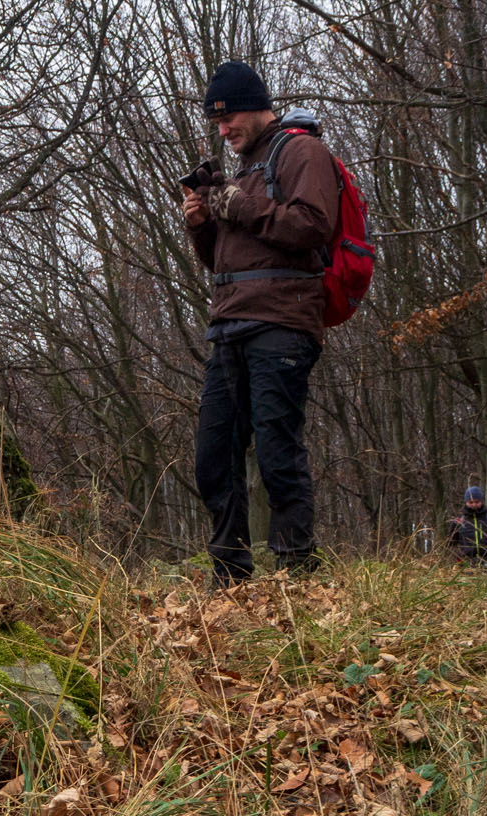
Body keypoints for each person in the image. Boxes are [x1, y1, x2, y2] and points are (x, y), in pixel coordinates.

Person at [183, 61, 339, 586]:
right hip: (228, 327)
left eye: (228, 119)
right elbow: (227, 263)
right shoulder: (241, 172)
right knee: (213, 456)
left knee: (277, 450)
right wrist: (203, 226)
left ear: (255, 105)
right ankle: (230, 574)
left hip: (283, 323)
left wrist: (240, 205)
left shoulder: (302, 151)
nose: (223, 131)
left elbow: (314, 226)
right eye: (217, 122)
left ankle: (299, 571)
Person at [448, 486, 487, 565]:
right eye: (471, 502)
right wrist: (459, 554)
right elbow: (450, 543)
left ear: (481, 501)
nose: (474, 504)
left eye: (477, 502)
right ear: (466, 502)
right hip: (465, 563)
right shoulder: (459, 520)